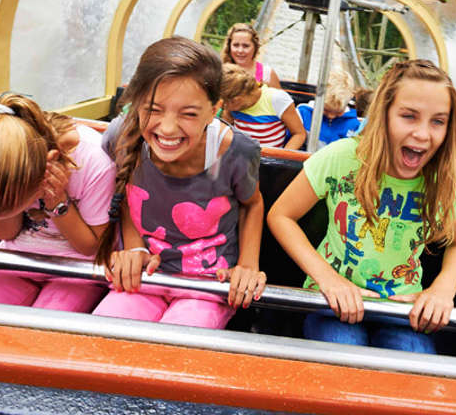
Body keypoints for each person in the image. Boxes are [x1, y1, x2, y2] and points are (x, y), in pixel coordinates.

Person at [268, 60, 456, 354]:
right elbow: (281, 215)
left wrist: (443, 289)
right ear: (384, 114)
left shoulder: (447, 180)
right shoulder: (342, 158)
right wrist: (328, 279)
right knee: (344, 354)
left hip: (402, 305)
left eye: (437, 121)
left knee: (413, 363)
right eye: (409, 116)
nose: (422, 134)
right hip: (334, 300)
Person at [93, 37, 266, 329]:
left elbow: (252, 203)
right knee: (105, 332)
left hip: (208, 281)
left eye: (188, 114)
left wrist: (247, 266)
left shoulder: (236, 152)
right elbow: (125, 191)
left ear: (214, 110)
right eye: (153, 109)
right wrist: (134, 248)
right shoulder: (120, 138)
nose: (168, 128)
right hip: (145, 273)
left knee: (180, 339)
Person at [0, 93, 116, 311]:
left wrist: (56, 201)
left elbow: (92, 247)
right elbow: (3, 232)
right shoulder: (2, 164)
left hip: (77, 266)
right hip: (17, 260)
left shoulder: (94, 160)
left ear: (44, 166)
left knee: (50, 320)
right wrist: (9, 206)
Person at [220, 63, 306, 150]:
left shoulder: (276, 99)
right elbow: (224, 131)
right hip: (242, 155)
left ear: (235, 100)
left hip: (272, 155)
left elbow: (299, 134)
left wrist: (281, 155)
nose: (223, 108)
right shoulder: (231, 107)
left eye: (223, 105)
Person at [297, 70, 360, 149]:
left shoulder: (353, 125)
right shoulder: (303, 114)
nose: (331, 116)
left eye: (338, 112)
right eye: (325, 110)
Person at [221, 22, 281, 88]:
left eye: (246, 46)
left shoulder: (267, 73)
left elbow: (278, 95)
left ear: (255, 47)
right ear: (229, 47)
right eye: (236, 45)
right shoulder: (220, 71)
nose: (240, 50)